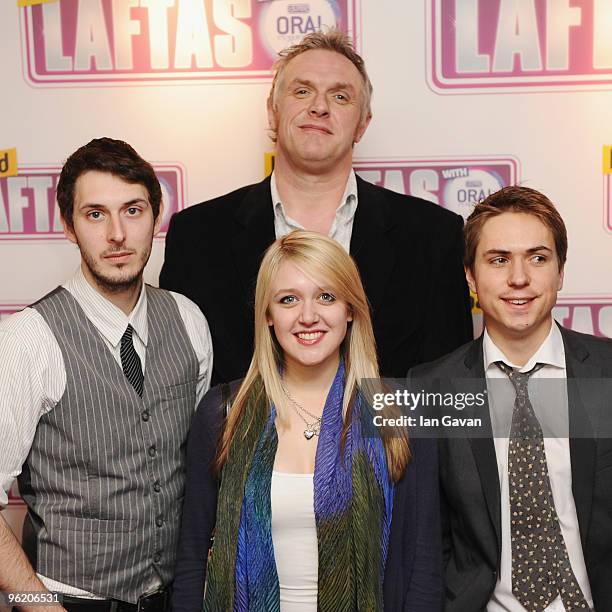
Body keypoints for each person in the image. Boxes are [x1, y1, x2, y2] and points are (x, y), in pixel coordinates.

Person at [159, 29, 472, 385]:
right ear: (273, 112)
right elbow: (180, 386)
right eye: (302, 91)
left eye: (340, 96)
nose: (319, 107)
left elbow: (452, 393)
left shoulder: (433, 236)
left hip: (393, 440)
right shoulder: (197, 235)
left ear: (363, 124)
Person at [172, 230, 442, 611]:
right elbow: (191, 562)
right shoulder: (222, 414)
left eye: (326, 297)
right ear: (267, 314)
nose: (308, 316)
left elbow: (424, 570)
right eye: (288, 300)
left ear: (350, 309)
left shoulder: (400, 411)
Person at [0, 138, 213, 612]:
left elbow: (195, 466)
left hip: (173, 599)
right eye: (95, 214)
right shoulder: (29, 337)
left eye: (132, 210)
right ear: (69, 227)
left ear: (156, 218)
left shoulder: (188, 320)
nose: (117, 233)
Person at [411, 186, 612, 611]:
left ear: (560, 272)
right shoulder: (432, 389)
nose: (518, 278)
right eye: (498, 259)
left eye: (537, 258)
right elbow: (425, 542)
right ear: (470, 276)